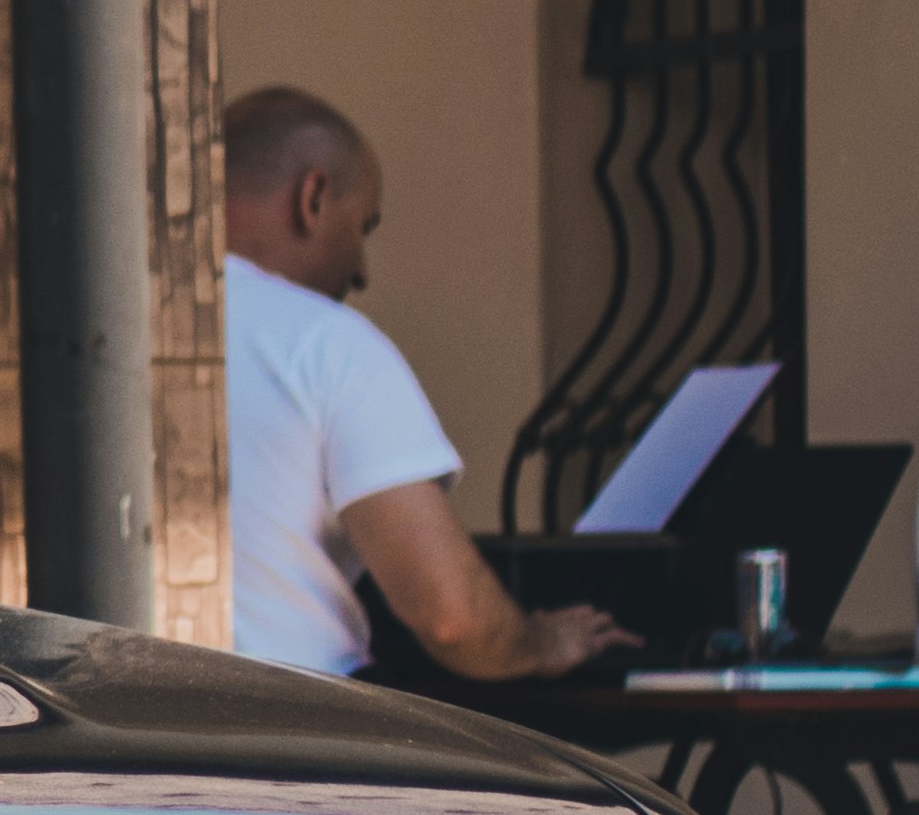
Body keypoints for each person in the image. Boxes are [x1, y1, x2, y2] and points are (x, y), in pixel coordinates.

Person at [222, 84, 629, 685]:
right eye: (363, 227)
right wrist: (541, 641)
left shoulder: (87, 340)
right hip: (291, 738)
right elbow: (455, 621)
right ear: (312, 199)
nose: (361, 271)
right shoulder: (325, 343)